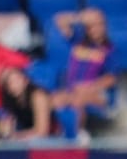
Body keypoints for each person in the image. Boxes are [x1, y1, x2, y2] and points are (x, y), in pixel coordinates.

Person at [49, 8, 118, 140]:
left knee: (78, 99)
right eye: (92, 25)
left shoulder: (110, 50)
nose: (96, 29)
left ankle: (77, 137)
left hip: (99, 94)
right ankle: (56, 135)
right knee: (54, 99)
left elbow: (111, 78)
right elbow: (59, 20)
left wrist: (89, 86)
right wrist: (80, 18)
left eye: (99, 25)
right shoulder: (78, 41)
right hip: (73, 90)